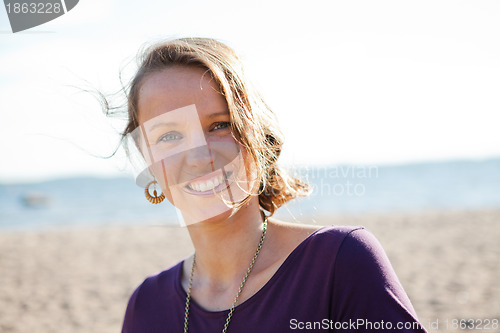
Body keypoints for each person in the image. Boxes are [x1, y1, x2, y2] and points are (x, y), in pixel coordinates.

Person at [119, 37, 427, 332]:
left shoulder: (339, 263)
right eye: (169, 136)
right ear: (148, 160)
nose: (200, 157)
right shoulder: (147, 305)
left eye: (220, 125)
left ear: (258, 136)